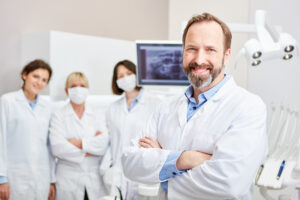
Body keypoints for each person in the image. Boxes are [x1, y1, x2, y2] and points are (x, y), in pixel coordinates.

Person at [121, 13, 268, 200]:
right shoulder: (165, 107)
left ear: (226, 56)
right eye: (191, 48)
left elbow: (230, 182)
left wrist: (163, 167)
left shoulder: (248, 107)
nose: (199, 59)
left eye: (210, 50)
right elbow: (130, 162)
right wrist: (185, 159)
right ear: (183, 51)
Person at [101, 60, 159, 199]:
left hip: (142, 171)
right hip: (117, 173)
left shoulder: (156, 103)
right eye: (120, 76)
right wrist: (106, 169)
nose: (125, 78)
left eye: (128, 73)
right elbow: (110, 142)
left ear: (137, 75)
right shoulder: (113, 108)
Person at [0, 59, 56, 200]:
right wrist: (2, 178)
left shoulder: (48, 106)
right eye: (35, 76)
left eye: (44, 80)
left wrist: (51, 180)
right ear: (25, 75)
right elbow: (1, 140)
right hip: (15, 175)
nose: (39, 82)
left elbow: (49, 146)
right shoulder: (7, 101)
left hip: (41, 175)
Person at [49, 72, 109, 200]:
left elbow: (103, 144)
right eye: (74, 85)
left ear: (87, 90)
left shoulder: (98, 113)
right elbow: (57, 147)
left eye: (82, 85)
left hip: (94, 178)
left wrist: (74, 142)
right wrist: (90, 147)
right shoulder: (58, 115)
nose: (78, 89)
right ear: (67, 90)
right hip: (67, 179)